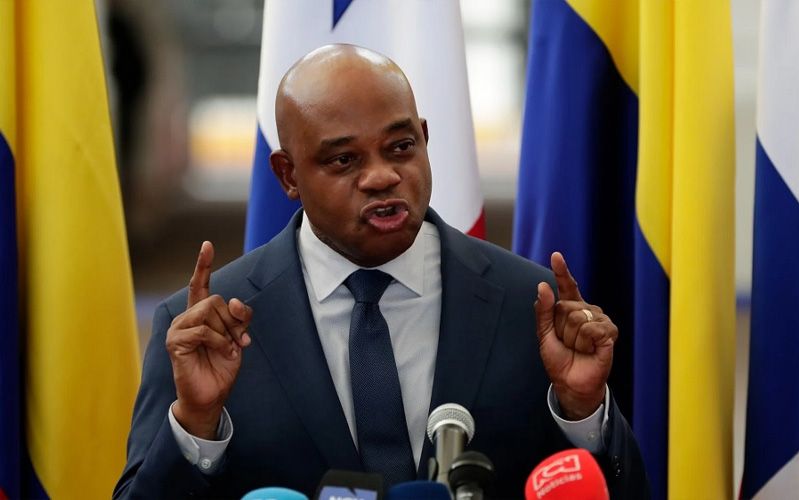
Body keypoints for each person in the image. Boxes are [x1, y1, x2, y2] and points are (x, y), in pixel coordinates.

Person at [115, 44, 649, 499]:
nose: (382, 176)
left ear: (424, 138)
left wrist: (582, 411)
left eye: (400, 147)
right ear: (288, 175)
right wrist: (196, 423)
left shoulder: (528, 305)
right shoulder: (206, 329)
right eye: (344, 160)